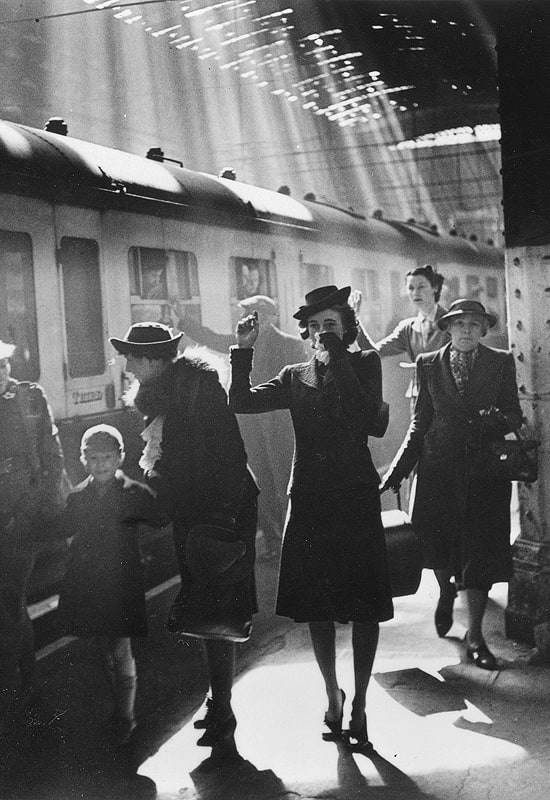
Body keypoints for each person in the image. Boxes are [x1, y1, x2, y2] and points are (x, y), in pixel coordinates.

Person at [229, 285, 393, 752]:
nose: (324, 334)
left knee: (364, 605)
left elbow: (368, 419)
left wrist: (341, 353)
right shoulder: (294, 375)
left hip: (355, 497)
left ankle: (361, 700)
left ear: (348, 329)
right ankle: (332, 695)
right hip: (311, 500)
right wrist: (243, 352)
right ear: (306, 332)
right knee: (318, 606)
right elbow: (240, 402)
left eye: (332, 326)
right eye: (317, 327)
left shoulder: (365, 364)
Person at [109, 322, 258, 754]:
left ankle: (224, 710)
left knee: (217, 610)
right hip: (198, 510)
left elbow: (229, 456)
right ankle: (219, 701)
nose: (128, 364)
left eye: (134, 357)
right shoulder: (166, 393)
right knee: (208, 610)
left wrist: (175, 499)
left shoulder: (197, 389)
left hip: (219, 510)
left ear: (156, 359)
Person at [380, 299, 523, 670]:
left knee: (481, 552)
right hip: (438, 470)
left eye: (474, 325)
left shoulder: (501, 362)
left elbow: (514, 414)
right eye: (460, 324)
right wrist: (397, 471)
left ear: (483, 330)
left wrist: (495, 420)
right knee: (437, 545)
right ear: (448, 328)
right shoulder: (428, 364)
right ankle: (445, 592)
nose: (466, 331)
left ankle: (475, 635)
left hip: (483, 473)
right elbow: (419, 421)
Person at [176, 295, 307, 559]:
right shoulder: (241, 341)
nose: (249, 320)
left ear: (272, 317)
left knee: (284, 482)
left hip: (280, 427)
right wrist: (183, 320)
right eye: (245, 314)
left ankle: (295, 538)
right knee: (261, 484)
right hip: (250, 426)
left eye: (255, 314)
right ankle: (273, 541)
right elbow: (210, 338)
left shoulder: (292, 346)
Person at [57, 424, 165, 744]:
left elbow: (160, 518)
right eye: (93, 458)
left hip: (121, 581)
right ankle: (114, 706)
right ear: (83, 459)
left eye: (107, 457)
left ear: (120, 458)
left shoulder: (134, 492)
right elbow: (62, 528)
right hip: (87, 579)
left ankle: (125, 715)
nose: (101, 464)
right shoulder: (77, 497)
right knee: (98, 646)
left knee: (120, 646)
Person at [0, 340, 66, 715]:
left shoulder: (29, 399)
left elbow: (51, 461)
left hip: (19, 518)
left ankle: (25, 681)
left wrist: (23, 514)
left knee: (10, 598)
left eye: (3, 366)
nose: (0, 374)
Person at [354, 264, 450, 407]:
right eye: (411, 288)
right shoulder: (407, 328)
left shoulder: (451, 322)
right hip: (419, 397)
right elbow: (374, 352)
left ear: (435, 288)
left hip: (449, 397)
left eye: (421, 286)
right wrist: (355, 320)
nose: (415, 293)